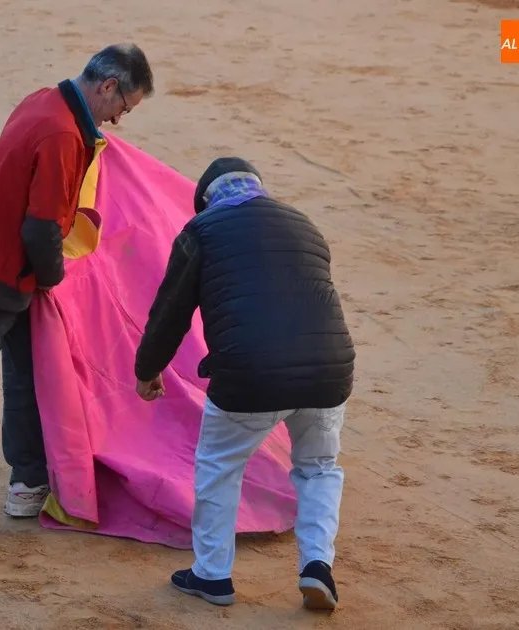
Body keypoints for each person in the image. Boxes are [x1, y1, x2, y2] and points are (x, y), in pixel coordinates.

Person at [0, 44, 155, 526]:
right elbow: (41, 227)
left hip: (7, 269)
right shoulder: (62, 135)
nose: (118, 120)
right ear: (108, 86)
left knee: (28, 381)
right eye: (123, 107)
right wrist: (54, 280)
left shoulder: (43, 100)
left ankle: (27, 481)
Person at [133, 158, 355, 611]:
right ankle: (317, 564)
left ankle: (212, 574)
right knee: (319, 467)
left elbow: (171, 312)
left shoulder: (201, 230)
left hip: (251, 372)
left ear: (206, 202)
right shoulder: (303, 223)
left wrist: (147, 369)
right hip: (329, 370)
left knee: (220, 465)